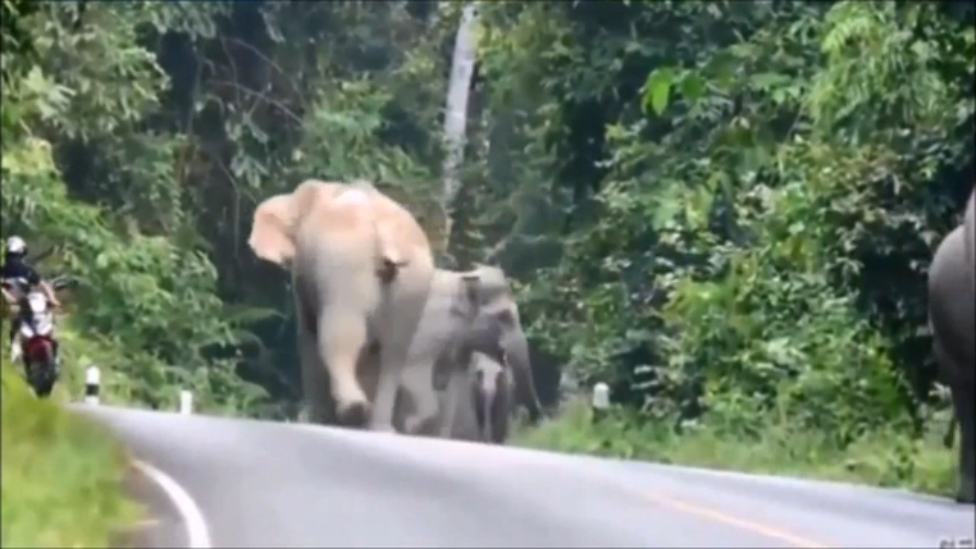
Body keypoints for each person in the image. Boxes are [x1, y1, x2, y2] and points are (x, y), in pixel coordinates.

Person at [1, 236, 61, 362]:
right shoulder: (27, 271)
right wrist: (52, 299)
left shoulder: (5, 271)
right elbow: (43, 286)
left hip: (22, 306)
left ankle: (15, 349)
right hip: (19, 306)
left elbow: (43, 286)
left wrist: (51, 299)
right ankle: (15, 350)